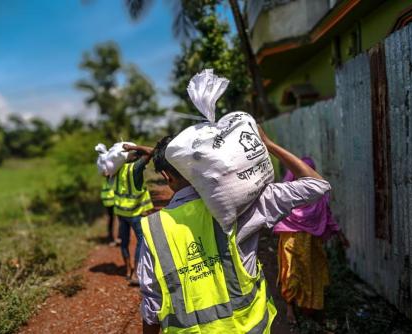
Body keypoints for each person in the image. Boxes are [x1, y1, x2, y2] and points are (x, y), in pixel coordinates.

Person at [137, 127, 332, 334]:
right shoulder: (244, 205)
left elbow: (152, 306)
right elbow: (316, 184)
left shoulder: (155, 228)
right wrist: (268, 144)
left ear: (167, 176)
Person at [273, 157, 349, 325]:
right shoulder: (286, 194)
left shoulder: (317, 195)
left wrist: (340, 234)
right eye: (300, 173)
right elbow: (271, 208)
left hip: (310, 243)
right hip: (290, 239)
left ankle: (309, 308)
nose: (304, 178)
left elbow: (328, 216)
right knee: (290, 273)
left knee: (310, 274)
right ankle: (290, 306)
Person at [113, 144, 154, 284]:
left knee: (124, 242)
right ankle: (136, 274)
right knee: (141, 240)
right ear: (134, 157)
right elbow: (152, 151)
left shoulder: (117, 169)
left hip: (120, 212)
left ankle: (128, 270)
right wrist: (134, 146)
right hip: (135, 213)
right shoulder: (136, 168)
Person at [100, 174, 116, 244]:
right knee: (116, 220)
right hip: (112, 203)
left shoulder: (105, 183)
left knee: (111, 220)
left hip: (107, 203)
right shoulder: (112, 182)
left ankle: (111, 237)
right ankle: (112, 238)